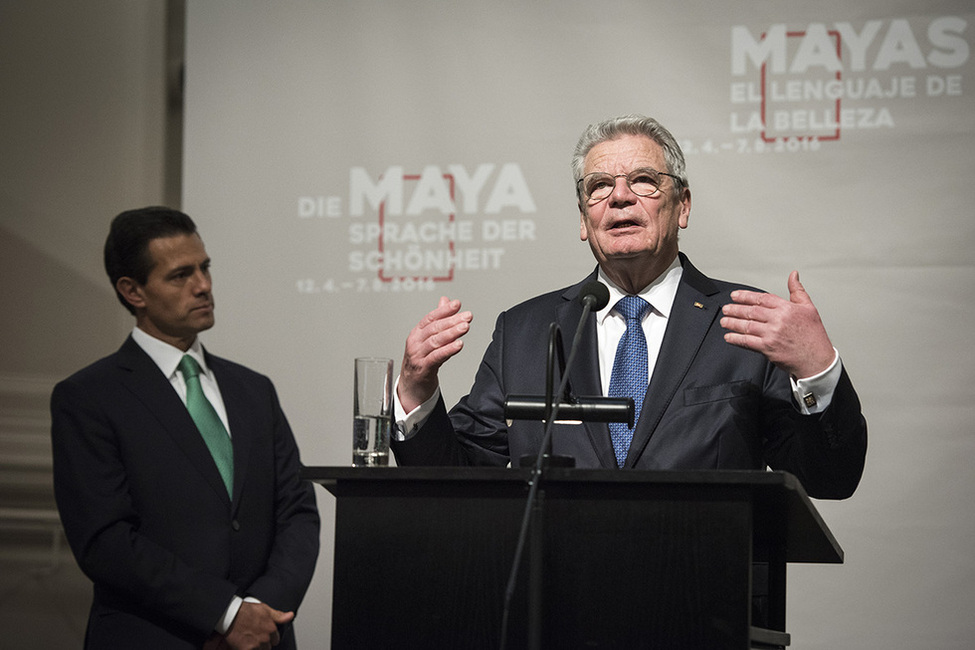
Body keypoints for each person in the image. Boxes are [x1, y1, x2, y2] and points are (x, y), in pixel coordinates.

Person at [391, 114, 866, 500]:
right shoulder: (526, 332)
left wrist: (817, 369)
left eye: (643, 180)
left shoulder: (744, 322)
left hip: (700, 597)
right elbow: (457, 478)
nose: (619, 197)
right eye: (599, 186)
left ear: (682, 206)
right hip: (558, 600)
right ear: (584, 219)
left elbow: (828, 478)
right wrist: (416, 391)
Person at [50, 207, 320, 649]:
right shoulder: (89, 398)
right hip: (156, 637)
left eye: (205, 267)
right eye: (180, 275)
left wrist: (260, 615)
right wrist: (225, 615)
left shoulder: (253, 389)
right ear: (132, 291)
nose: (204, 285)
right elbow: (106, 540)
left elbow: (297, 512)